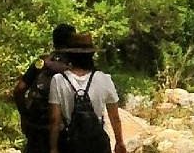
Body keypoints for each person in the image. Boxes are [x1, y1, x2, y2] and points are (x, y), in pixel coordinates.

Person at [46, 32, 125, 153]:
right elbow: (115, 117)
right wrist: (119, 142)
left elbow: (54, 119)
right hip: (97, 144)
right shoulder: (104, 79)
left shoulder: (58, 80)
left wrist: (53, 148)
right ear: (92, 55)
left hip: (70, 144)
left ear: (69, 55)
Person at [12, 24, 75, 153]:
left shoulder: (41, 62)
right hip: (63, 131)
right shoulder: (75, 66)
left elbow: (19, 90)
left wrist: (24, 116)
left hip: (36, 126)